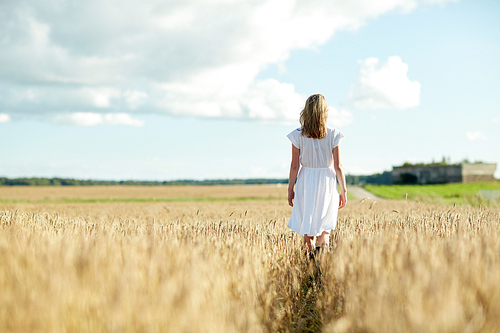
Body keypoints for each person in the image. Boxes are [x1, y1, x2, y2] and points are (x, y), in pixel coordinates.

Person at [287, 94, 347, 254]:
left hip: (306, 180)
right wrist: (344, 190)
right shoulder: (334, 134)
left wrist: (290, 189)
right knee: (324, 224)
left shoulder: (297, 135)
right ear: (325, 112)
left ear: (306, 111)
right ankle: (320, 259)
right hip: (326, 180)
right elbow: (338, 166)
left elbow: (294, 166)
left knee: (308, 219)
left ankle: (310, 255)